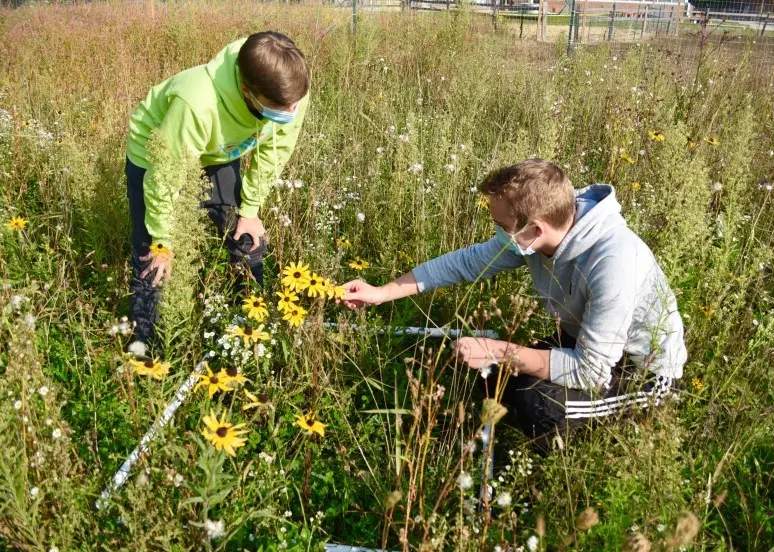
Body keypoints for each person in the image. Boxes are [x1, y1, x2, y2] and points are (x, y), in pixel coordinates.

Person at [341, 159, 686, 451]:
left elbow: (592, 372)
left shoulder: (614, 261)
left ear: (535, 229)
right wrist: (382, 292)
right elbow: (467, 263)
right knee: (496, 377)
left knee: (540, 405)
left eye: (502, 226)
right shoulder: (548, 229)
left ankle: (567, 472)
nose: (497, 233)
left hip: (642, 373)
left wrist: (499, 350)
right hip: (587, 343)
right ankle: (488, 439)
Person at [125, 31, 310, 352]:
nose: (291, 112)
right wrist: (161, 239)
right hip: (156, 153)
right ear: (245, 90)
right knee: (154, 256)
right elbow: (164, 176)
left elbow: (275, 152)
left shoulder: (291, 90)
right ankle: (145, 343)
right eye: (280, 108)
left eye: (294, 105)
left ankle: (252, 321)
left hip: (221, 150)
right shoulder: (197, 102)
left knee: (245, 236)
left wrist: (249, 210)